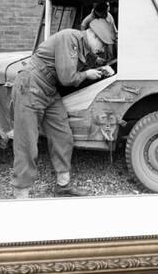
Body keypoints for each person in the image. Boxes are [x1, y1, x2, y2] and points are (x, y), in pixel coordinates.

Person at [11, 18, 116, 199]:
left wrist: (101, 68)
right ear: (92, 34)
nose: (101, 49)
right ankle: (21, 194)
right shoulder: (69, 38)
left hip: (49, 89)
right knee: (27, 143)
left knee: (63, 135)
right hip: (31, 86)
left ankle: (63, 185)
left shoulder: (83, 46)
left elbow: (85, 63)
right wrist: (86, 74)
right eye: (101, 44)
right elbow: (68, 78)